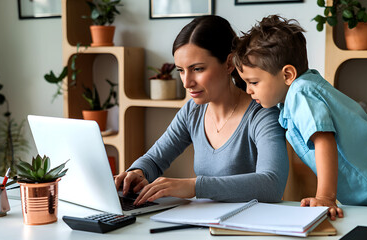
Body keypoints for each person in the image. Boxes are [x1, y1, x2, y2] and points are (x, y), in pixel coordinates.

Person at [115, 15, 289, 205]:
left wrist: (194, 187)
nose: (187, 82)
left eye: (197, 69)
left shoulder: (262, 114)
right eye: (180, 70)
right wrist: (137, 172)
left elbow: (272, 184)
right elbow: (155, 159)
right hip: (203, 226)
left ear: (229, 64)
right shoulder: (193, 111)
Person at [233, 14, 367, 220]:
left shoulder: (301, 92)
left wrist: (326, 197)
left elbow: (323, 140)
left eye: (254, 82)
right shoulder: (293, 98)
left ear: (287, 75)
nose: (248, 90)